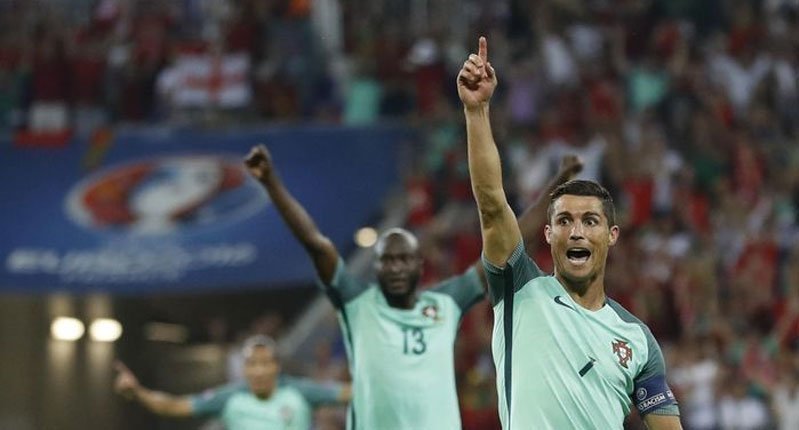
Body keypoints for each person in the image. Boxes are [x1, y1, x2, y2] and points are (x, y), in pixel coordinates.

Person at [243, 144, 582, 429]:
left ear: (420, 266)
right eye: (387, 260)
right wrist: (272, 183)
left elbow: (507, 247)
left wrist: (558, 183)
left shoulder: (447, 301)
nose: (396, 267)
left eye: (404, 259)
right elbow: (317, 245)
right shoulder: (358, 303)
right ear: (376, 269)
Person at [457, 36, 682, 429]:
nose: (576, 231)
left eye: (590, 221)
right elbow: (492, 205)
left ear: (612, 235)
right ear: (547, 234)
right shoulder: (518, 287)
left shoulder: (637, 338)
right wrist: (477, 112)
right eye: (564, 221)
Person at [114, 335, 350, 430]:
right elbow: (173, 406)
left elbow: (353, 393)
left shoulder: (300, 391)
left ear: (276, 366)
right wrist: (137, 392)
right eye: (252, 364)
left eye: (265, 363)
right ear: (243, 368)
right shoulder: (228, 398)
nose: (258, 371)